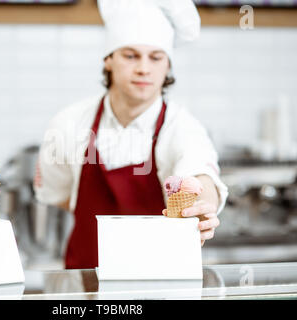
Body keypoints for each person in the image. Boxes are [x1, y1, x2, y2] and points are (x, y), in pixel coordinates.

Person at [34, 0, 228, 269]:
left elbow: (199, 174)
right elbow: (60, 194)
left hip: (163, 280)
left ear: (168, 65)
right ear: (108, 60)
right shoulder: (67, 124)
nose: (144, 69)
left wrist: (202, 206)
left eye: (156, 57)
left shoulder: (183, 127)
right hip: (87, 280)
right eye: (130, 55)